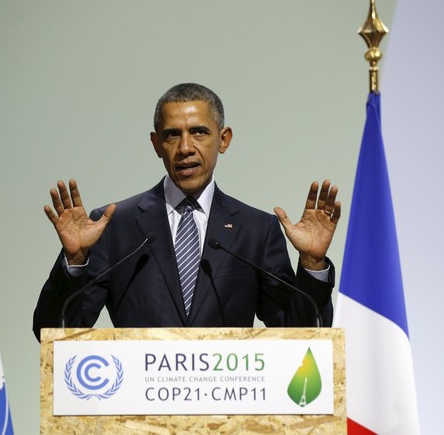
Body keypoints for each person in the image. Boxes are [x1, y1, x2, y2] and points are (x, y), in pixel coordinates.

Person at [33, 83, 340, 340]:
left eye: (199, 132)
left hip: (229, 408)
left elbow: (300, 336)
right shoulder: (114, 226)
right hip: (138, 408)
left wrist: (312, 265)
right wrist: (75, 262)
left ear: (223, 139)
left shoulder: (257, 230)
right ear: (156, 144)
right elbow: (55, 334)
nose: (185, 148)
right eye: (171, 135)